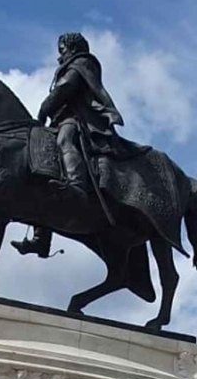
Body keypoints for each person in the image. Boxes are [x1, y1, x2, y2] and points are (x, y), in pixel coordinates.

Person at [12, 31, 124, 259]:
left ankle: (77, 185)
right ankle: (41, 239)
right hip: (60, 120)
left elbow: (64, 90)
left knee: (65, 139)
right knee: (43, 168)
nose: (58, 57)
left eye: (61, 51)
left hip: (79, 120)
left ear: (72, 49)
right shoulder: (72, 65)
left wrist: (43, 111)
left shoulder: (82, 63)